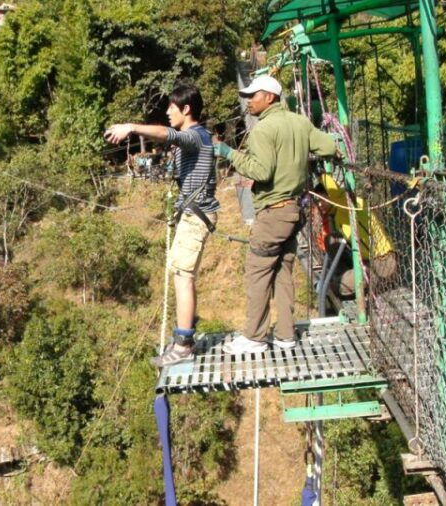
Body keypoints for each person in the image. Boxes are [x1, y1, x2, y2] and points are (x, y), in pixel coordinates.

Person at [213, 75, 337, 354]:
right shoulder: (300, 122)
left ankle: (255, 337)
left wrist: (228, 153)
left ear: (269, 97)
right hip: (295, 211)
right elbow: (329, 147)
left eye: (253, 96)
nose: (248, 102)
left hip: (273, 213)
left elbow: (261, 171)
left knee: (258, 273)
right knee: (283, 273)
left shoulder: (262, 130)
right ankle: (285, 334)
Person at [104, 84, 218, 367]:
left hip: (196, 216)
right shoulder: (193, 140)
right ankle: (185, 334)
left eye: (171, 107)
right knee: (182, 275)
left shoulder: (196, 136)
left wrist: (131, 127)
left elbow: (168, 134)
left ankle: (183, 344)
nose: (167, 112)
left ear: (186, 109)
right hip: (192, 214)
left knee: (183, 276)